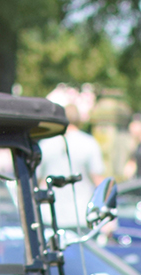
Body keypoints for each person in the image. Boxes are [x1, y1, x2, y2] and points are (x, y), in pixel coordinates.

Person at [38, 87, 106, 232]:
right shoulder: (89, 143)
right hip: (79, 215)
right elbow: (98, 181)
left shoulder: (46, 144)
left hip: (50, 215)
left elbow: (38, 180)